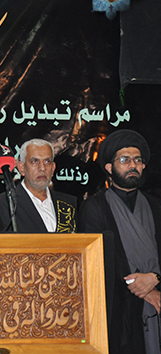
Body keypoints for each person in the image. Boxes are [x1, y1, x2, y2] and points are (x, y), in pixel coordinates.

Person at [78, 129, 161, 354]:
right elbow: (97, 262)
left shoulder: (156, 206)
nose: (133, 165)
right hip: (116, 312)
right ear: (109, 168)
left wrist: (155, 278)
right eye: (124, 160)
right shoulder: (94, 208)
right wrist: (145, 289)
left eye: (137, 160)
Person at [0, 138, 76, 232]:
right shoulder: (3, 204)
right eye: (35, 161)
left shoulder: (68, 203)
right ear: (22, 168)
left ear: (53, 168)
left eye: (47, 161)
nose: (42, 168)